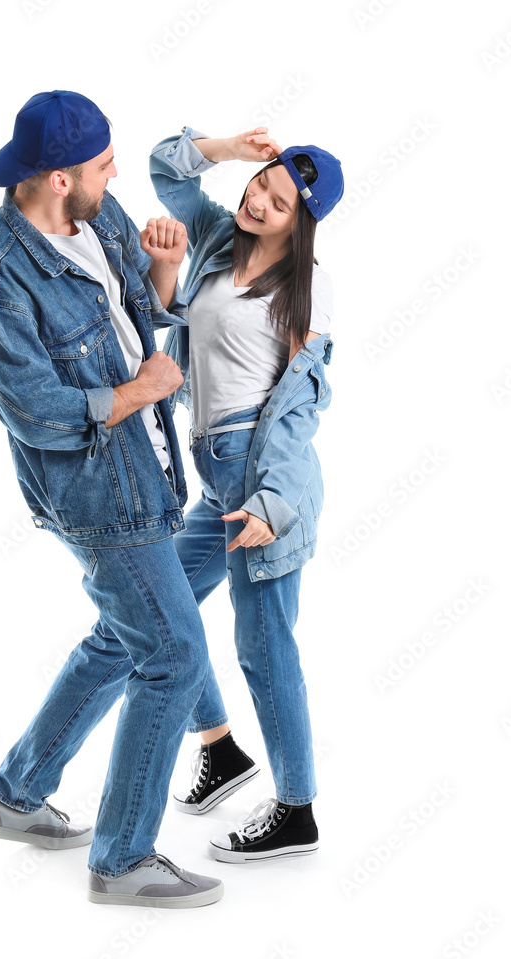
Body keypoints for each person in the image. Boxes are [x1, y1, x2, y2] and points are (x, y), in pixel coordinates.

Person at [0, 91, 223, 907]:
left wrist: (166, 269)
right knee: (173, 653)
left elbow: (136, 311)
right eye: (105, 166)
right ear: (60, 178)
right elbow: (38, 413)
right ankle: (123, 860)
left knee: (124, 635)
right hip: (93, 491)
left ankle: (17, 794)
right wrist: (143, 388)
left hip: (149, 466)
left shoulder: (101, 219)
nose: (118, 176)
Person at [148, 124, 344, 862]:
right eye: (262, 183)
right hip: (212, 482)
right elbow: (165, 165)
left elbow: (299, 405)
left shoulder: (310, 286)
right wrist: (230, 146)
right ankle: (221, 750)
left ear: (304, 225)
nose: (259, 200)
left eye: (281, 202)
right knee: (158, 611)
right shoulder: (214, 237)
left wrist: (272, 503)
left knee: (266, 652)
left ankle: (297, 810)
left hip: (261, 484)